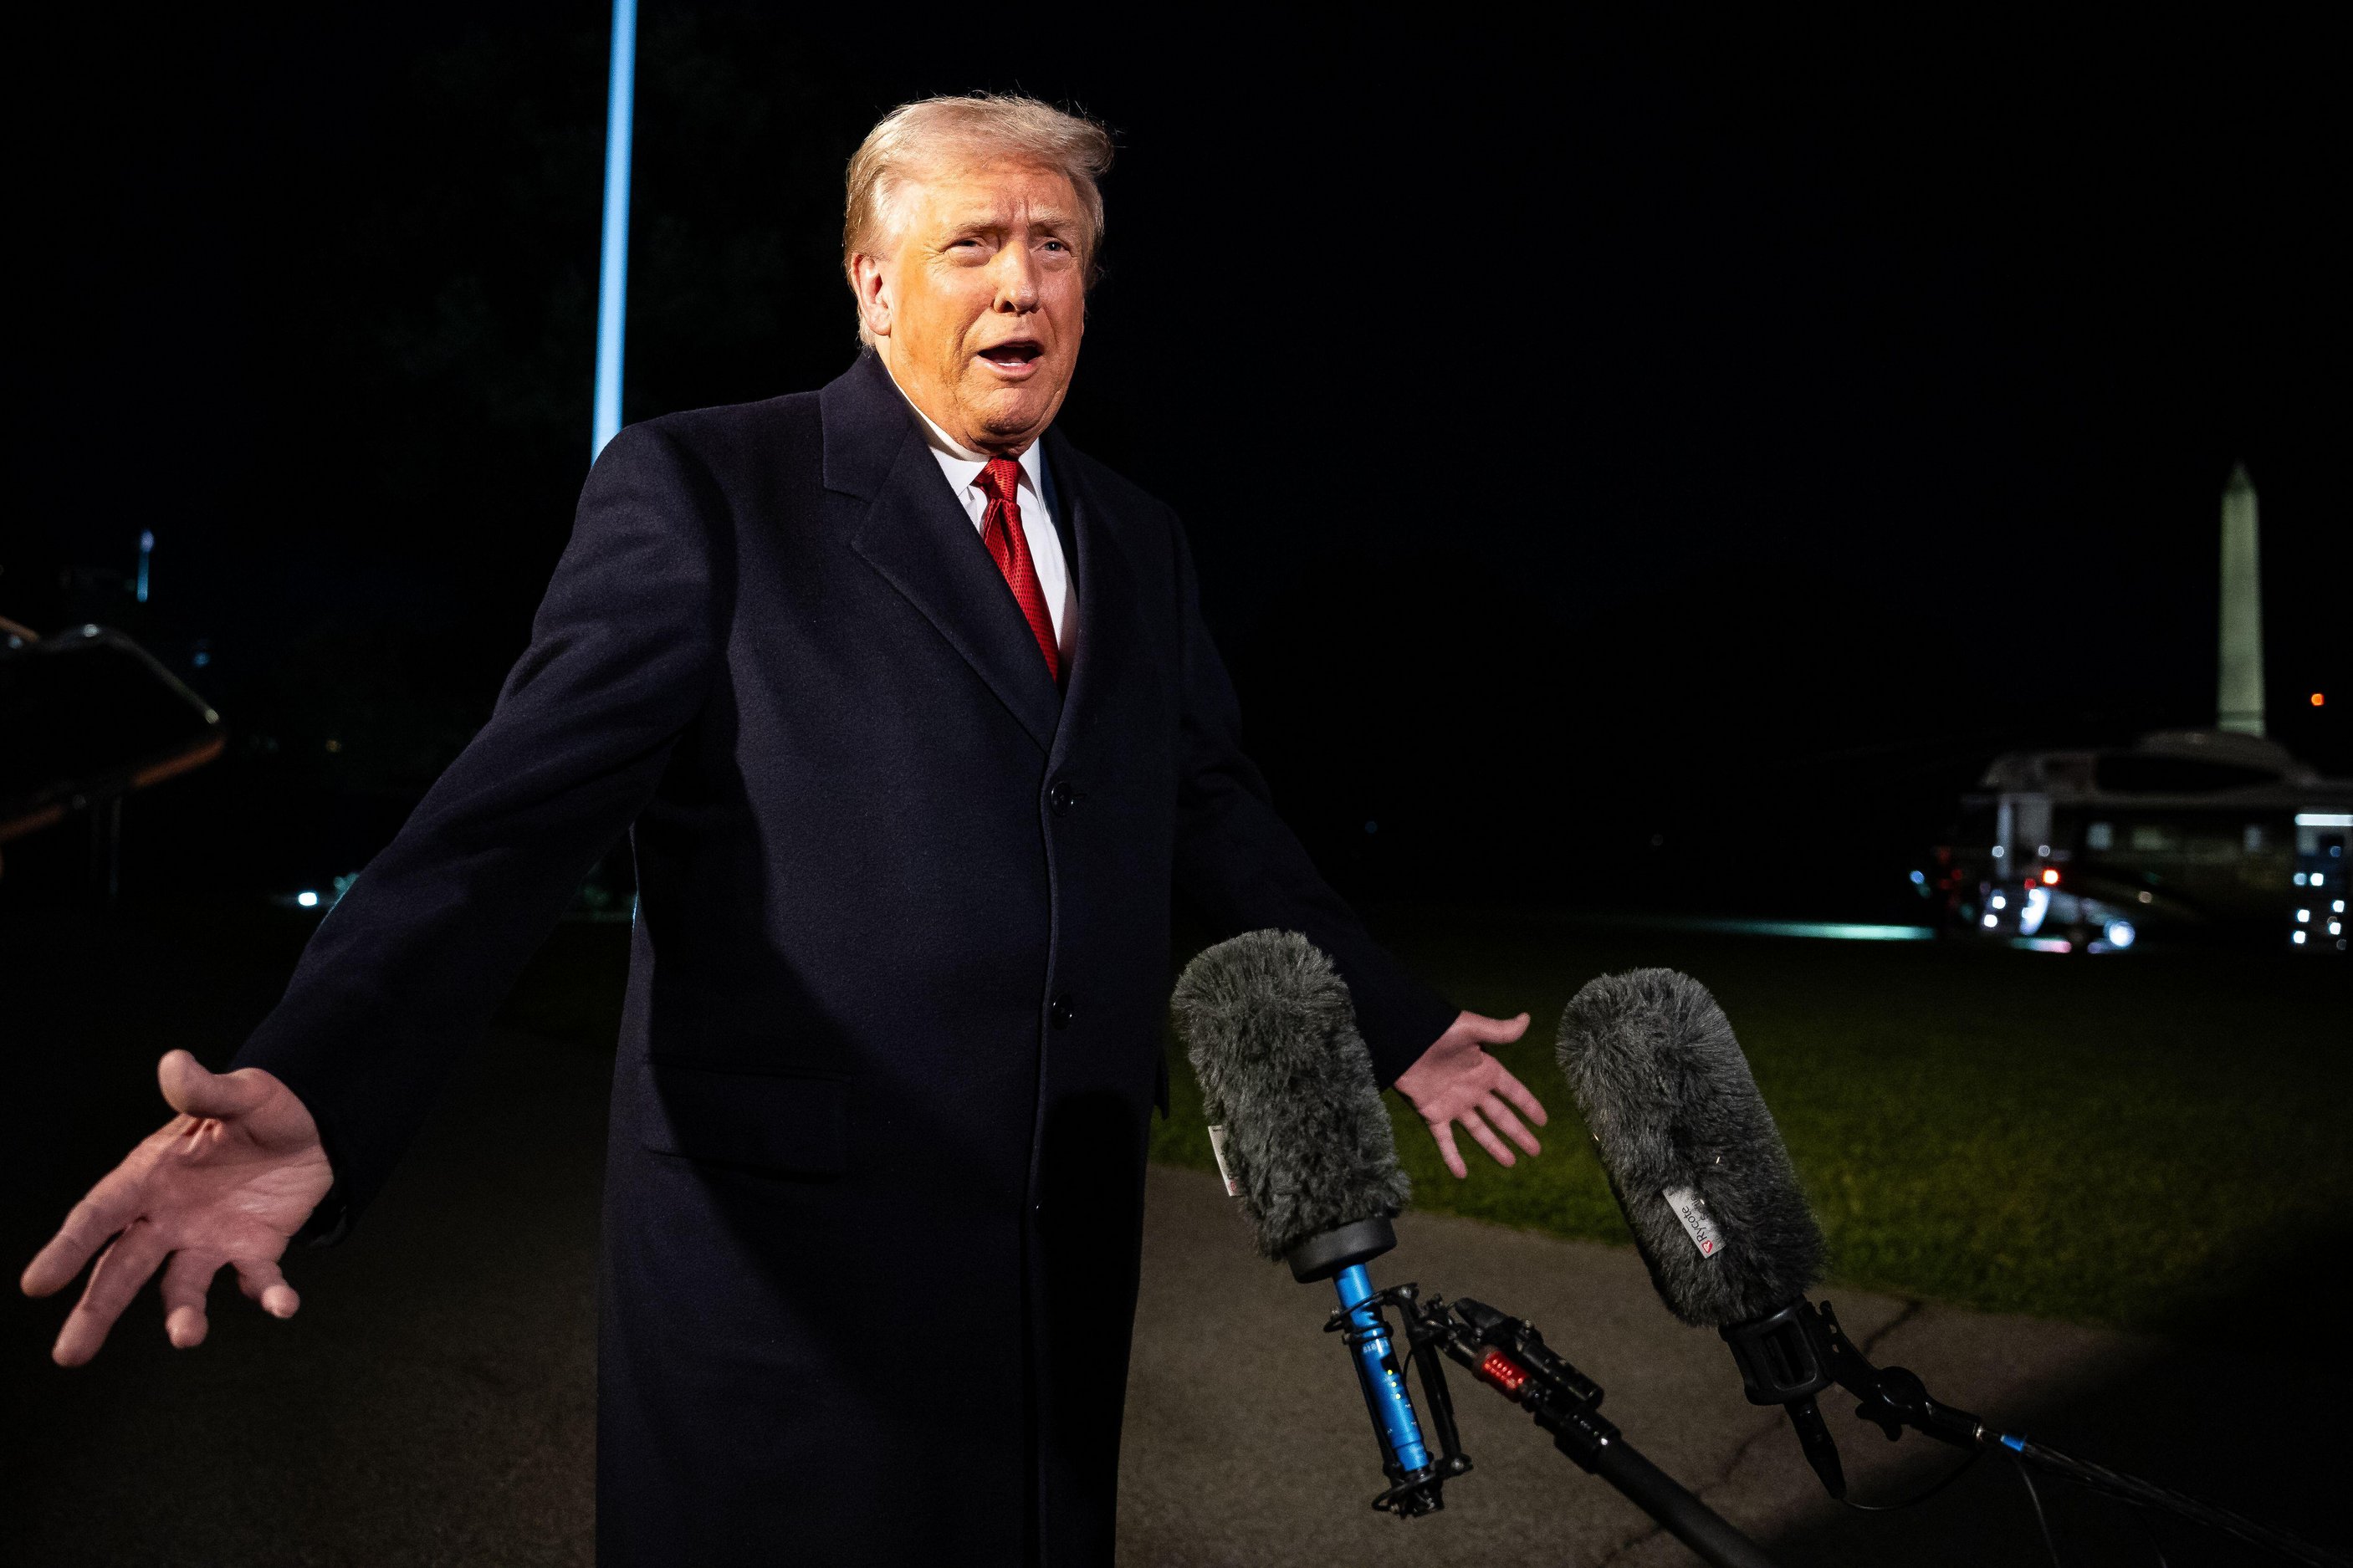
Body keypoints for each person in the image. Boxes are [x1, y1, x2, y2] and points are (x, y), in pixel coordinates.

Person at [20, 94, 1549, 1565]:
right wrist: (321, 1075)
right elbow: (507, 821)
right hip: (787, 1254)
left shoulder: (1135, 540)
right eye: (973, 244)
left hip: (1054, 1236)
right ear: (873, 288)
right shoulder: (704, 488)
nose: (1021, 281)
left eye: (1056, 245)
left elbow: (1213, 810)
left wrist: (1394, 1023)